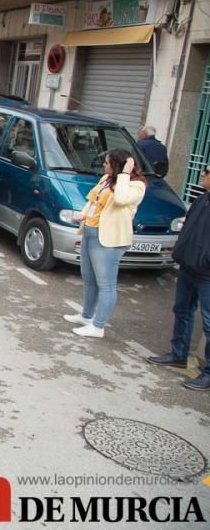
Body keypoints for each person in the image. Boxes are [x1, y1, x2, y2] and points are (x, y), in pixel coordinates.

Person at [62, 149, 146, 339]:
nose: (104, 165)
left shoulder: (136, 186)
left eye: (107, 163)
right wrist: (84, 214)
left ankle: (98, 326)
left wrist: (125, 173)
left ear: (118, 165)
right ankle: (86, 315)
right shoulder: (106, 179)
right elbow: (94, 200)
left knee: (105, 284)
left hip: (109, 239)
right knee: (89, 278)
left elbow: (121, 199)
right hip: (91, 231)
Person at [146, 164, 210, 390]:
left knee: (209, 323)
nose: (203, 174)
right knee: (182, 310)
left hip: (206, 274)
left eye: (208, 171)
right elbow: (188, 228)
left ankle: (208, 373)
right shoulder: (202, 200)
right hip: (188, 266)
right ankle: (178, 354)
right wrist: (179, 250)